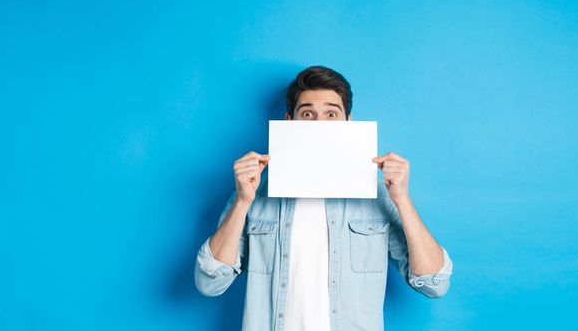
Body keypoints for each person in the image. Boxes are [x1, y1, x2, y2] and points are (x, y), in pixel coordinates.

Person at [194, 65, 452, 330]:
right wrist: (242, 201)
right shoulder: (254, 193)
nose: (319, 124)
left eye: (331, 113)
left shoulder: (378, 195)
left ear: (348, 122)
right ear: (289, 121)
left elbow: (435, 283)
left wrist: (402, 200)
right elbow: (210, 283)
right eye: (307, 113)